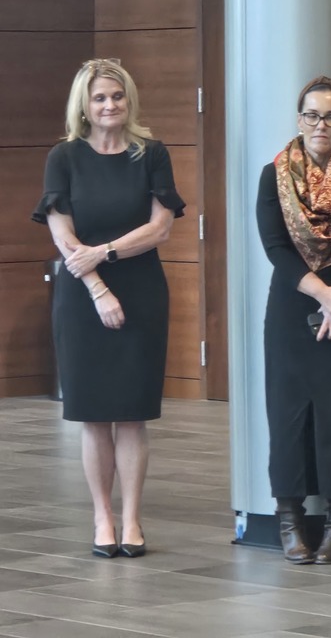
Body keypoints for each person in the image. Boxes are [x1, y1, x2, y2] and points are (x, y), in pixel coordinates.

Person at [32, 58, 185, 558]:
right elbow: (62, 232)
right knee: (95, 414)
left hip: (141, 289)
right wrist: (97, 284)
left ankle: (133, 519)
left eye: (117, 97)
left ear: (129, 101)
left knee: (133, 414)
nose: (109, 105)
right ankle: (102, 517)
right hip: (82, 297)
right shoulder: (64, 157)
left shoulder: (152, 153)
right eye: (99, 98)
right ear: (85, 105)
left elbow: (161, 226)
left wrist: (109, 252)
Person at [255, 75, 331, 565]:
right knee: (289, 415)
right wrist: (323, 294)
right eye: (311, 115)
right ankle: (290, 521)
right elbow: (275, 248)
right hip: (293, 306)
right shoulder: (275, 175)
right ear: (299, 118)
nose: (320, 125)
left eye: (330, 116)